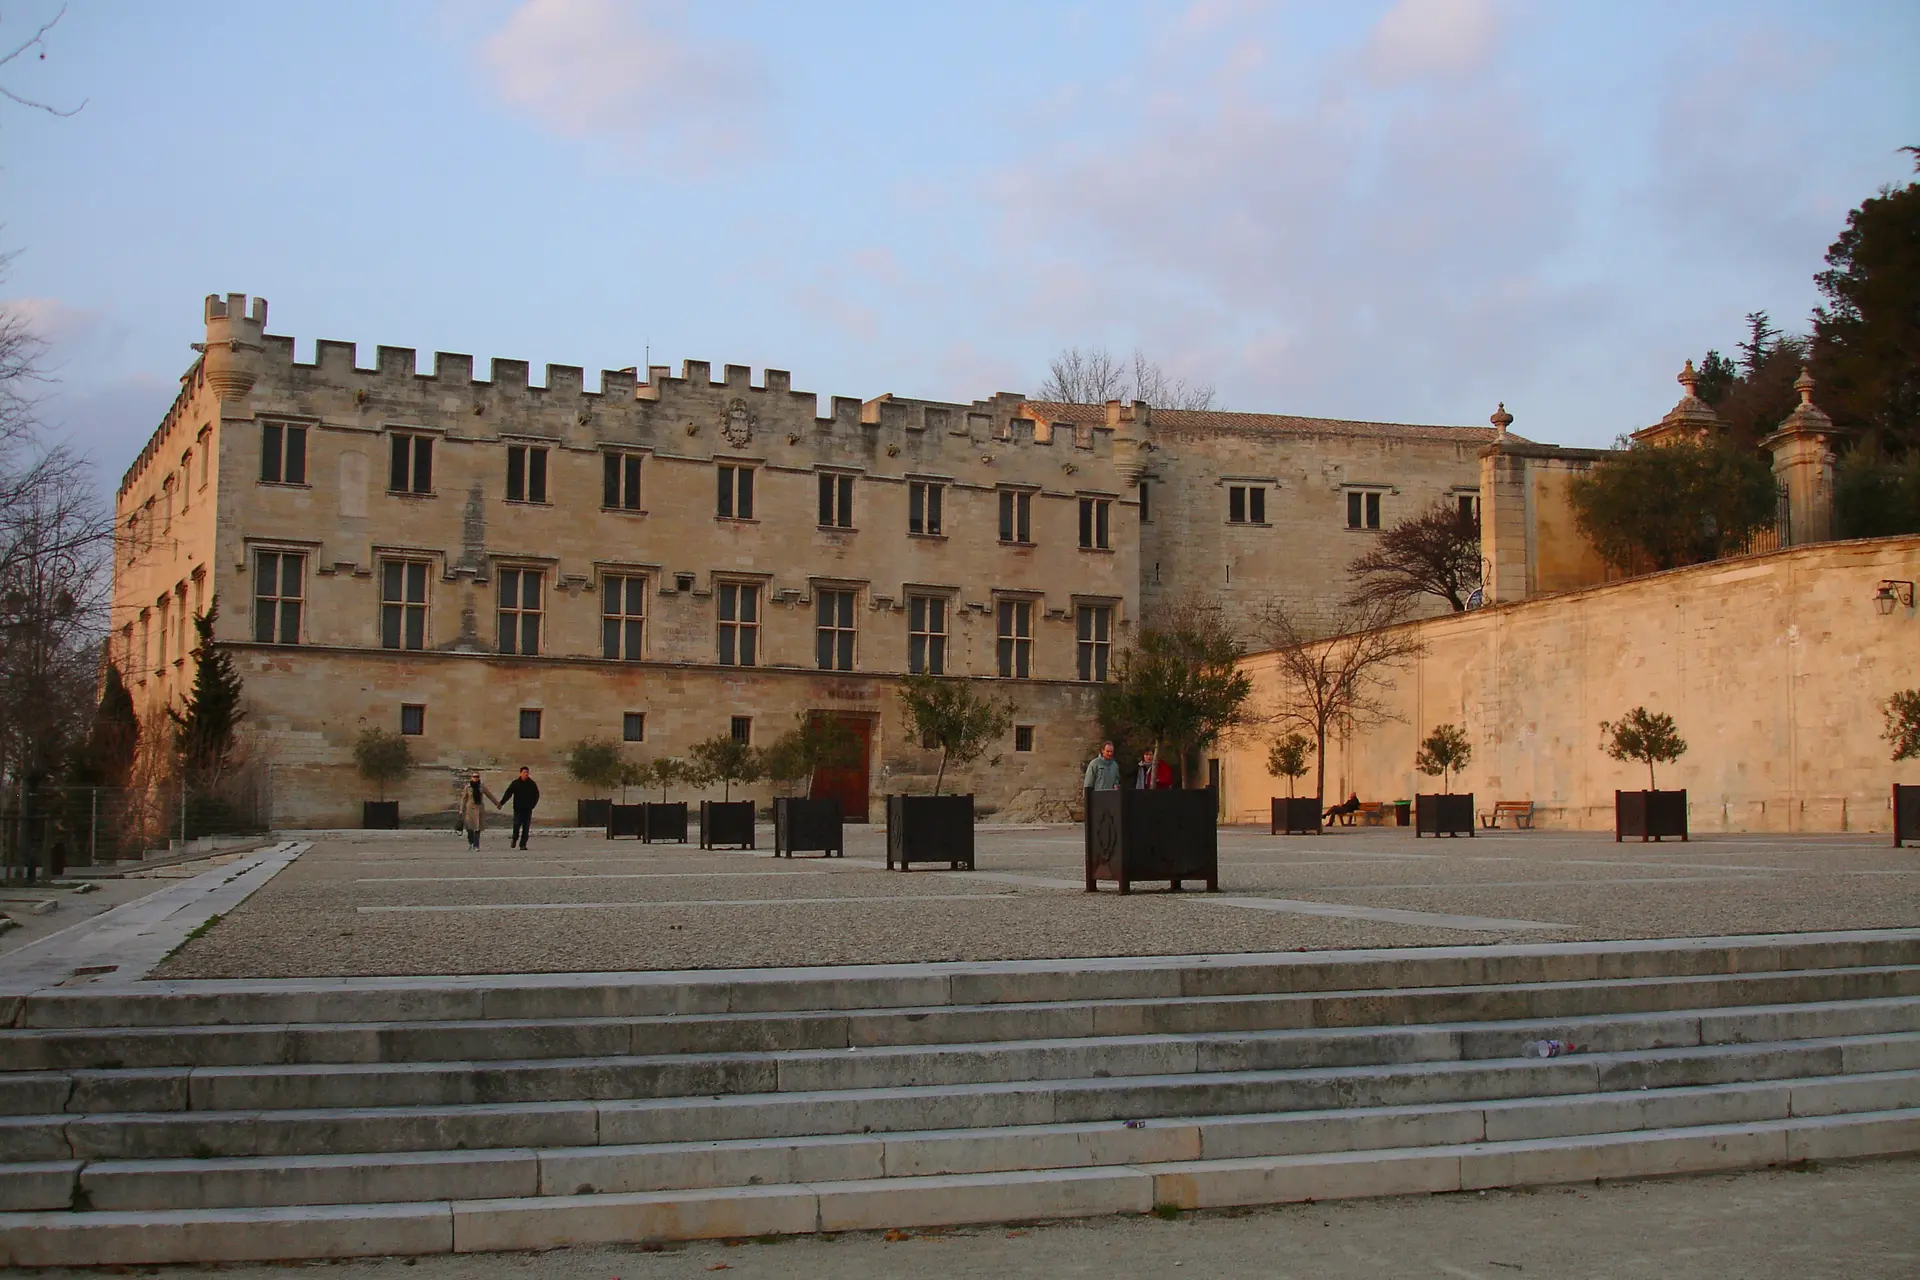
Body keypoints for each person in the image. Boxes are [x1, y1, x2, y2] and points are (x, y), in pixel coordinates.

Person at [499, 766, 540, 850]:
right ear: (521, 773)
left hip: (528, 809)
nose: (526, 774)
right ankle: (514, 839)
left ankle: (523, 844)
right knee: (516, 825)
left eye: (527, 772)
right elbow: (508, 793)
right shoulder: (515, 783)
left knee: (526, 827)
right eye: (524, 772)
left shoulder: (532, 784)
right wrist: (501, 803)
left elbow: (536, 795)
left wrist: (532, 805)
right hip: (518, 809)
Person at [456, 772, 499, 850]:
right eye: (474, 776)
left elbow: (490, 795)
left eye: (477, 777)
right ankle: (471, 842)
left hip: (479, 809)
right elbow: (464, 799)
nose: (475, 778)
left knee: (477, 827)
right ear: (471, 778)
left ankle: (476, 845)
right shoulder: (468, 787)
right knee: (469, 828)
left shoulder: (482, 787)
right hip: (470, 810)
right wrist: (461, 809)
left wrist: (497, 804)